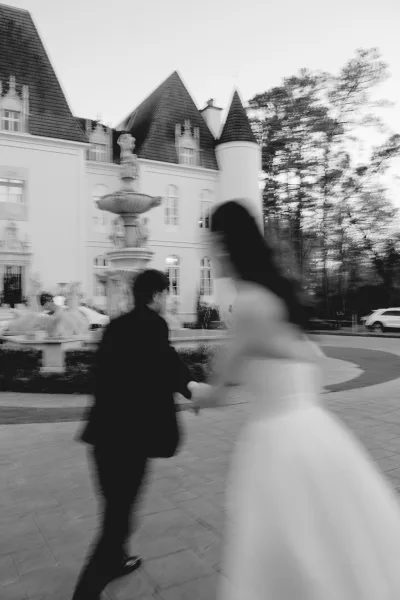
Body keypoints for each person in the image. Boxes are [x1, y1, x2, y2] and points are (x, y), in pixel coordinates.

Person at [194, 200, 400, 599]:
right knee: (334, 540)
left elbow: (218, 391)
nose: (208, 252)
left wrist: (198, 392)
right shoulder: (278, 297)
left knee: (290, 551)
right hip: (317, 431)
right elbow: (313, 362)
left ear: (224, 244)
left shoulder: (250, 304)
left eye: (210, 242)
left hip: (280, 444)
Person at [72, 269, 198, 600]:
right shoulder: (153, 324)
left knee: (114, 506)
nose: (166, 300)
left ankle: (115, 561)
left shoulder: (115, 326)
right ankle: (86, 591)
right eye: (166, 294)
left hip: (102, 436)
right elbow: (166, 365)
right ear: (157, 295)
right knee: (119, 518)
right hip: (128, 441)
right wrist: (192, 389)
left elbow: (105, 376)